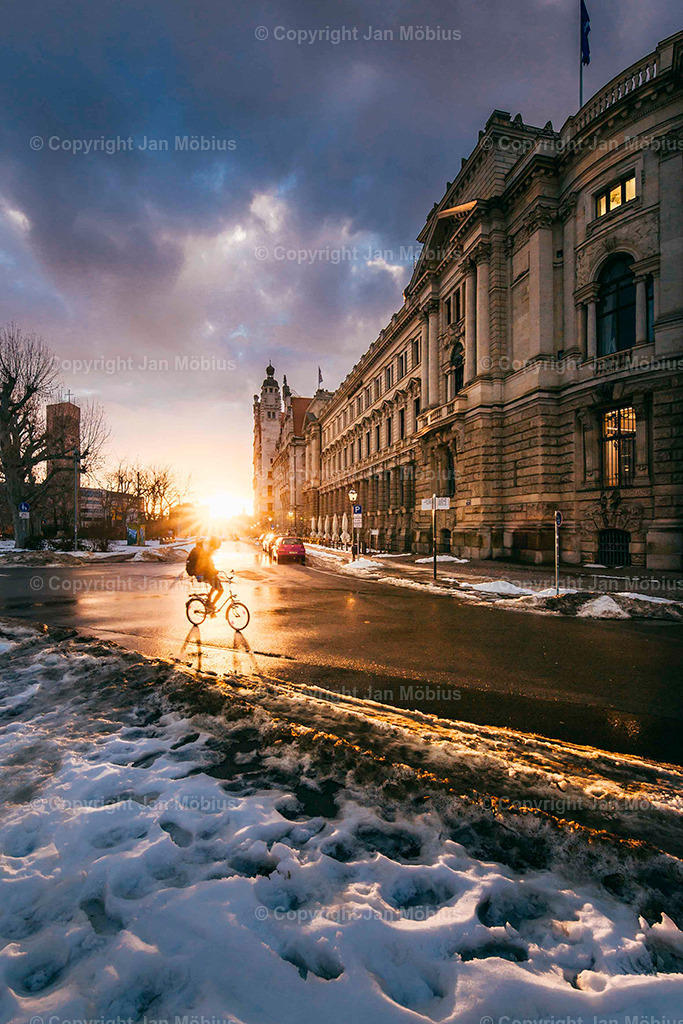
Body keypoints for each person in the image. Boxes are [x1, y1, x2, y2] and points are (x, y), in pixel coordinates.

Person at [198, 537, 223, 614]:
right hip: (207, 575)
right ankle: (211, 605)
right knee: (221, 590)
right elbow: (207, 565)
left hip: (208, 574)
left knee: (215, 586)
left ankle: (209, 602)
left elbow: (209, 564)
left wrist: (215, 571)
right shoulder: (208, 552)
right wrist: (214, 571)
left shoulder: (207, 550)